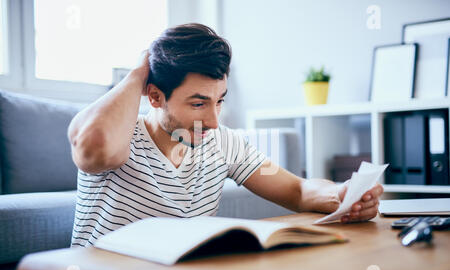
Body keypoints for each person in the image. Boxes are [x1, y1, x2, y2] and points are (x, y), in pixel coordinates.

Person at [68, 23, 383, 247]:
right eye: (198, 103)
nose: (213, 121)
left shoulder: (224, 143)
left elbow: (297, 189)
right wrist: (139, 71)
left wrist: (341, 196)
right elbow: (95, 150)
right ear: (154, 96)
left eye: (219, 101)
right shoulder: (118, 135)